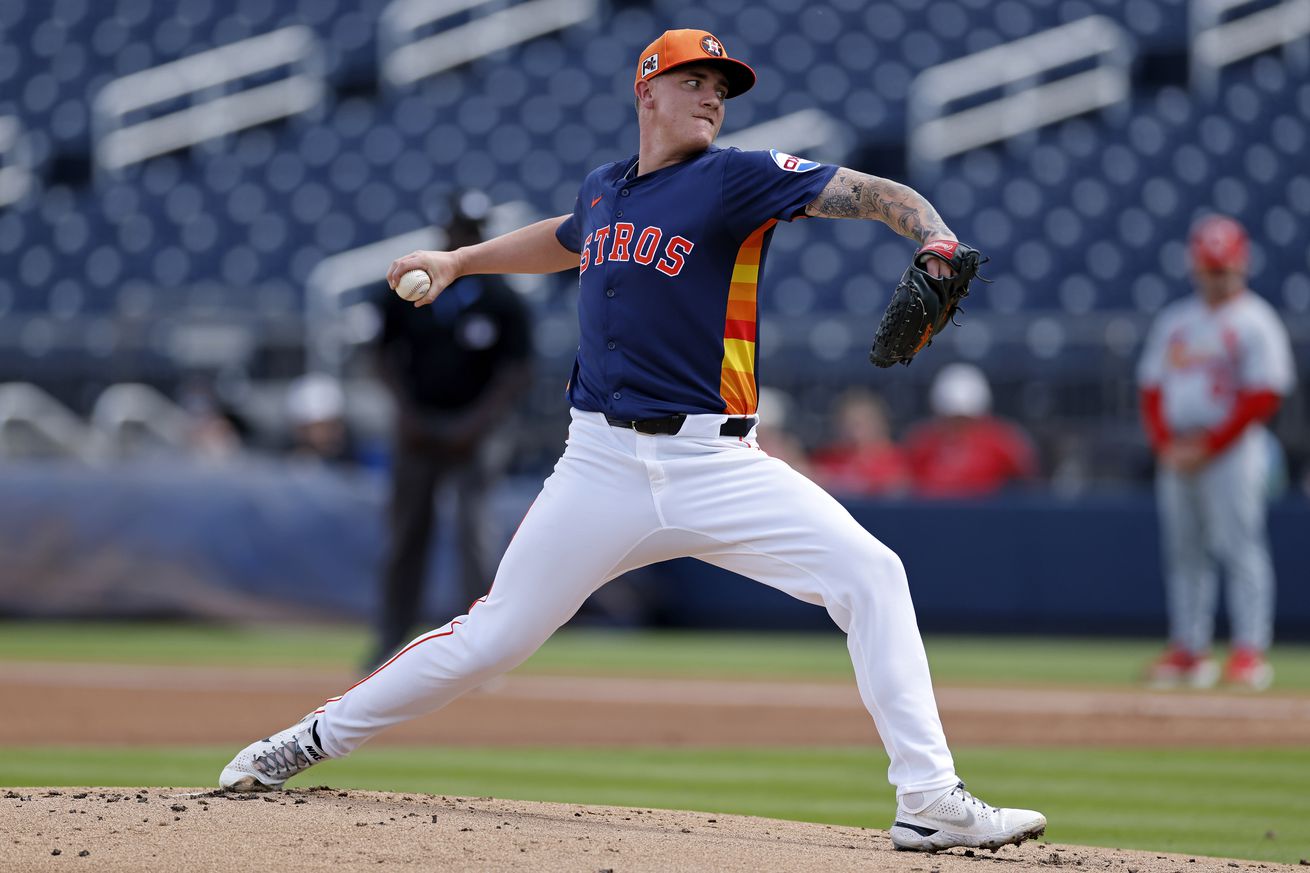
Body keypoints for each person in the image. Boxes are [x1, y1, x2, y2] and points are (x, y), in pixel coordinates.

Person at [219, 29, 1045, 852]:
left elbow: (863, 190)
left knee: (873, 574)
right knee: (492, 636)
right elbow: (569, 234)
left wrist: (933, 235)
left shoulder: (737, 178)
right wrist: (462, 260)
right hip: (600, 465)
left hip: (718, 462)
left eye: (722, 85)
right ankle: (307, 739)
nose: (714, 96)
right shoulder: (606, 190)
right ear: (646, 91)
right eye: (696, 80)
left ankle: (929, 795)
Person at [368, 189, 535, 670]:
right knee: (405, 535)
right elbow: (381, 357)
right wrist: (408, 415)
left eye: (473, 232)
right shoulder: (404, 292)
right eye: (459, 230)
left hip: (476, 431)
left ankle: (481, 651)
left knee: (474, 535)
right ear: (444, 233)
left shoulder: (502, 297)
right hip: (417, 426)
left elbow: (516, 373)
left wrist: (474, 425)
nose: (465, 237)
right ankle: (390, 638)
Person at [1138, 214, 1295, 691]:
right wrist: (1167, 444)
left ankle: (1250, 651)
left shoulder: (1255, 320)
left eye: (1223, 268)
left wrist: (1209, 445)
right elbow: (1151, 388)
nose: (1216, 276)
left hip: (1231, 449)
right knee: (1184, 551)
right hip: (1180, 446)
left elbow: (1264, 394)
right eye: (1210, 268)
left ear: (1240, 266)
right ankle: (1190, 649)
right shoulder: (1177, 320)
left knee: (1239, 546)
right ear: (1196, 268)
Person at [902, 362, 1037, 498]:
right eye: (952, 419)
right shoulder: (921, 443)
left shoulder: (1003, 441)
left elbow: (1027, 483)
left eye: (965, 419)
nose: (958, 426)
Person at [811, 387, 911, 496]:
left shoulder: (895, 458)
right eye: (848, 424)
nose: (853, 432)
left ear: (879, 424)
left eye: (860, 424)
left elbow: (898, 487)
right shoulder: (829, 456)